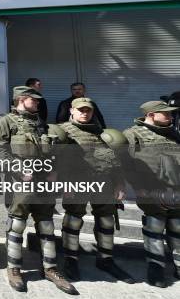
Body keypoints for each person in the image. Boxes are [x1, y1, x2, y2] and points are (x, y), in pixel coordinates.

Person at [0, 86, 77, 295]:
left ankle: (50, 268)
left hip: (44, 183)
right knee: (17, 225)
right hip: (21, 182)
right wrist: (19, 170)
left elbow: (49, 152)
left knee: (47, 225)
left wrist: (54, 172)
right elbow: (0, 151)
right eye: (34, 99)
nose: (38, 102)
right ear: (22, 99)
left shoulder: (40, 123)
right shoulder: (6, 122)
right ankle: (13, 268)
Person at [58, 98, 134, 283]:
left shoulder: (103, 133)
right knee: (73, 220)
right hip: (77, 183)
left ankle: (106, 259)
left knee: (107, 221)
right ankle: (70, 260)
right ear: (72, 111)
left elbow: (115, 161)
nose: (85, 113)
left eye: (88, 110)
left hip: (104, 183)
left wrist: (119, 184)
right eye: (81, 110)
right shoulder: (62, 131)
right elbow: (56, 161)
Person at [123, 100, 180, 288]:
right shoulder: (132, 134)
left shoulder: (173, 133)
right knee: (155, 228)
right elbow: (126, 164)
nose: (171, 117)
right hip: (150, 191)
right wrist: (137, 187)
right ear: (151, 115)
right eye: (166, 114)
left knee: (177, 228)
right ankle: (155, 269)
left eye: (171, 114)